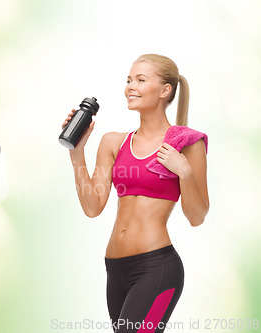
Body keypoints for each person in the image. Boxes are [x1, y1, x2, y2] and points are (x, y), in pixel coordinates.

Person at [61, 54, 209, 332]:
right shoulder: (113, 142)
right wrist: (77, 153)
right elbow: (93, 207)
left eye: (141, 80)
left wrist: (185, 172)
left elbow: (197, 216)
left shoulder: (186, 145)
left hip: (156, 268)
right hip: (115, 269)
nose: (130, 86)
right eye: (129, 80)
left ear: (165, 90)